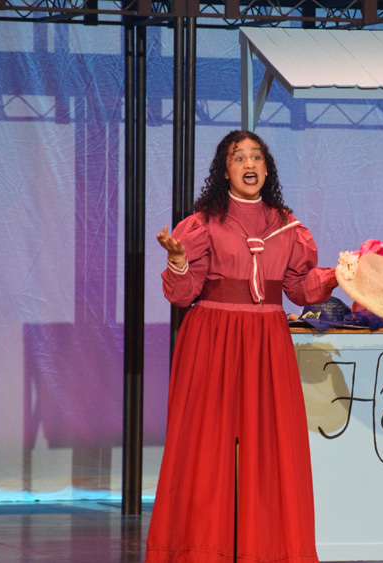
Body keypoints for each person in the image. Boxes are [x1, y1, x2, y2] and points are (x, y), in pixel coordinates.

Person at [146, 130, 338, 562]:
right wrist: (178, 262)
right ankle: (196, 550)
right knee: (203, 446)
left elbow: (301, 288)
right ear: (225, 170)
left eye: (256, 157)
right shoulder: (202, 225)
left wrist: (341, 273)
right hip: (212, 338)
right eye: (238, 158)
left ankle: (267, 550)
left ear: (267, 169)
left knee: (271, 447)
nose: (249, 164)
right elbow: (181, 294)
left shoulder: (287, 226)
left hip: (267, 343)